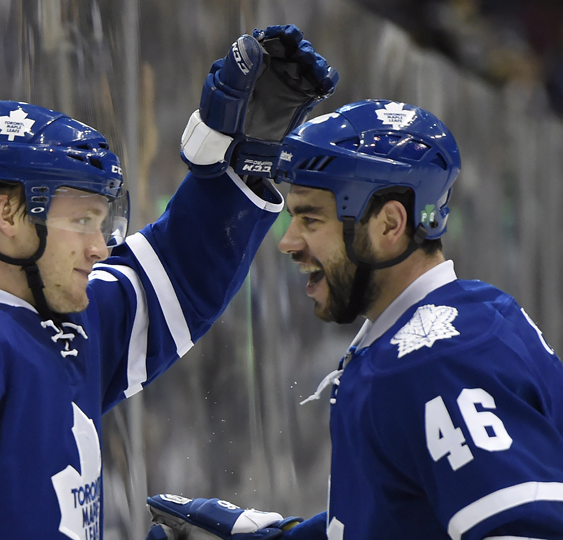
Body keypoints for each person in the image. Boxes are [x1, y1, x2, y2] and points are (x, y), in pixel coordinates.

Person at [0, 25, 338, 539]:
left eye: (102, 222)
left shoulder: (58, 314)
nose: (100, 246)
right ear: (7, 213)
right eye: (82, 222)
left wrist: (237, 160)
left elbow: (178, 274)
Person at [145, 100, 563, 539]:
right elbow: (410, 513)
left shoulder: (436, 361)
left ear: (389, 225)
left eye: (310, 219)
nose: (288, 242)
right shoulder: (463, 317)